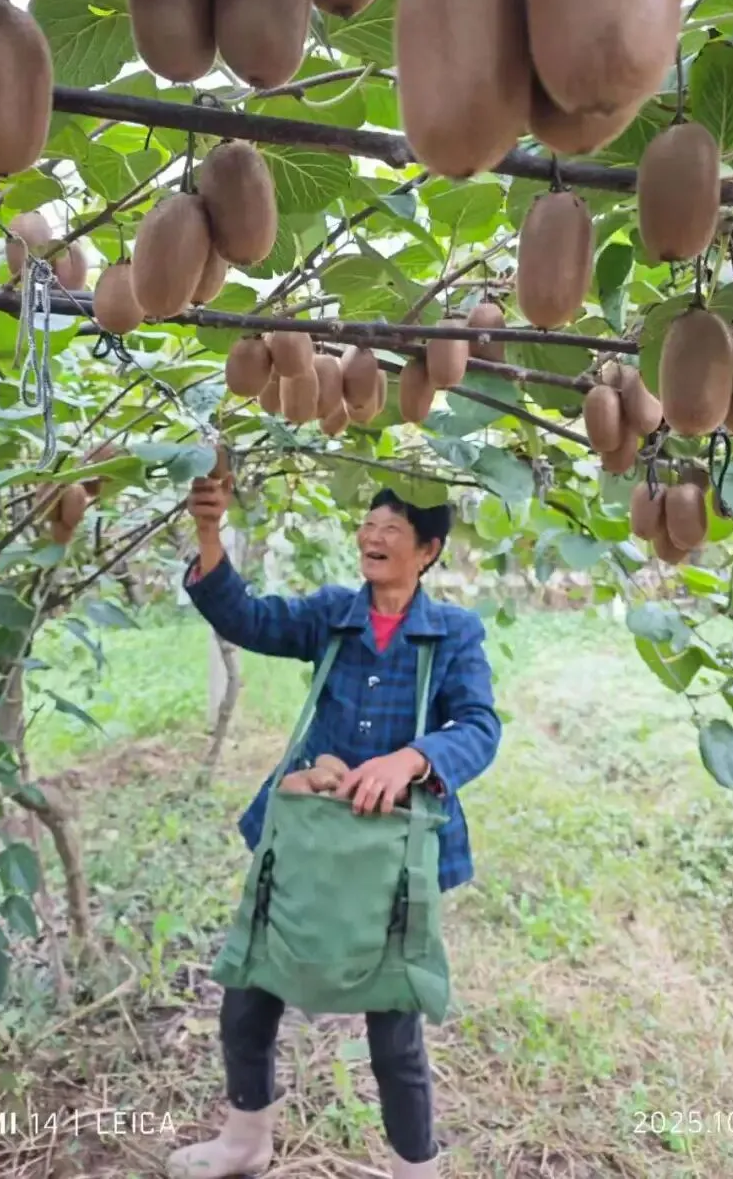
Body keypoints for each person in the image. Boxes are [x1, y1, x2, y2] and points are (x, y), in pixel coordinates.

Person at [168, 477, 502, 1179]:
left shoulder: (454, 633)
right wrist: (209, 533)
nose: (372, 537)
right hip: (309, 838)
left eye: (392, 529)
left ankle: (415, 1169)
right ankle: (245, 1140)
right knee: (250, 993)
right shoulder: (330, 615)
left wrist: (413, 758)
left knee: (393, 1029)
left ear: (428, 550)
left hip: (393, 859)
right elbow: (248, 619)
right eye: (368, 523)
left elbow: (479, 726)